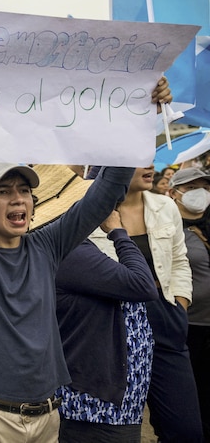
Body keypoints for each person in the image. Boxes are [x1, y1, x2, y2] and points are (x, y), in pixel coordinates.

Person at [0, 59, 169, 442]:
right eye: (3, 191)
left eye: (25, 190)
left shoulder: (47, 245)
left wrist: (142, 114)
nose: (18, 200)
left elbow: (107, 191)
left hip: (46, 419)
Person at [28, 165, 158, 442]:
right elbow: (142, 284)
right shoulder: (70, 252)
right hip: (95, 407)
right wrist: (117, 231)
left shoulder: (67, 245)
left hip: (105, 402)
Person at [90, 164, 202, 442]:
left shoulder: (165, 205)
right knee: (116, 430)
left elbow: (179, 260)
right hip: (111, 328)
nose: (150, 164)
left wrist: (179, 304)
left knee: (185, 429)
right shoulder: (89, 210)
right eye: (138, 157)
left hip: (165, 320)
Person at [166, 167, 210, 440]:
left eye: (204, 187)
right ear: (173, 193)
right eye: (192, 187)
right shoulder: (166, 229)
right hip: (189, 327)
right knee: (196, 398)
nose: (200, 193)